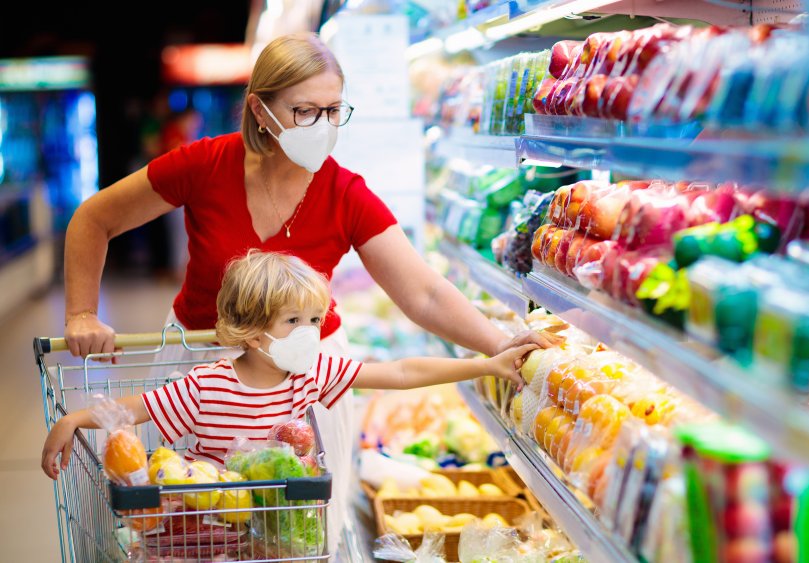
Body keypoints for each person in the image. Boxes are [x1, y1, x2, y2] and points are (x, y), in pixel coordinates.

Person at [59, 31, 557, 546]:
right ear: (260, 110)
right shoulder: (204, 165)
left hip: (302, 379)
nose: (322, 126)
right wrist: (80, 313)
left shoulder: (345, 194)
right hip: (200, 372)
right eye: (304, 111)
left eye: (333, 110)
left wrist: (499, 344)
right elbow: (94, 220)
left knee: (293, 537)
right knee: (192, 526)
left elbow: (424, 293)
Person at [42, 251, 535, 476]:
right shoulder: (205, 385)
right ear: (253, 333)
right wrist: (74, 419)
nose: (309, 333)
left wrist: (488, 364)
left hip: (283, 532)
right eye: (293, 320)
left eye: (316, 319)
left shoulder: (311, 374)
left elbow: (402, 373)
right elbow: (139, 407)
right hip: (215, 527)